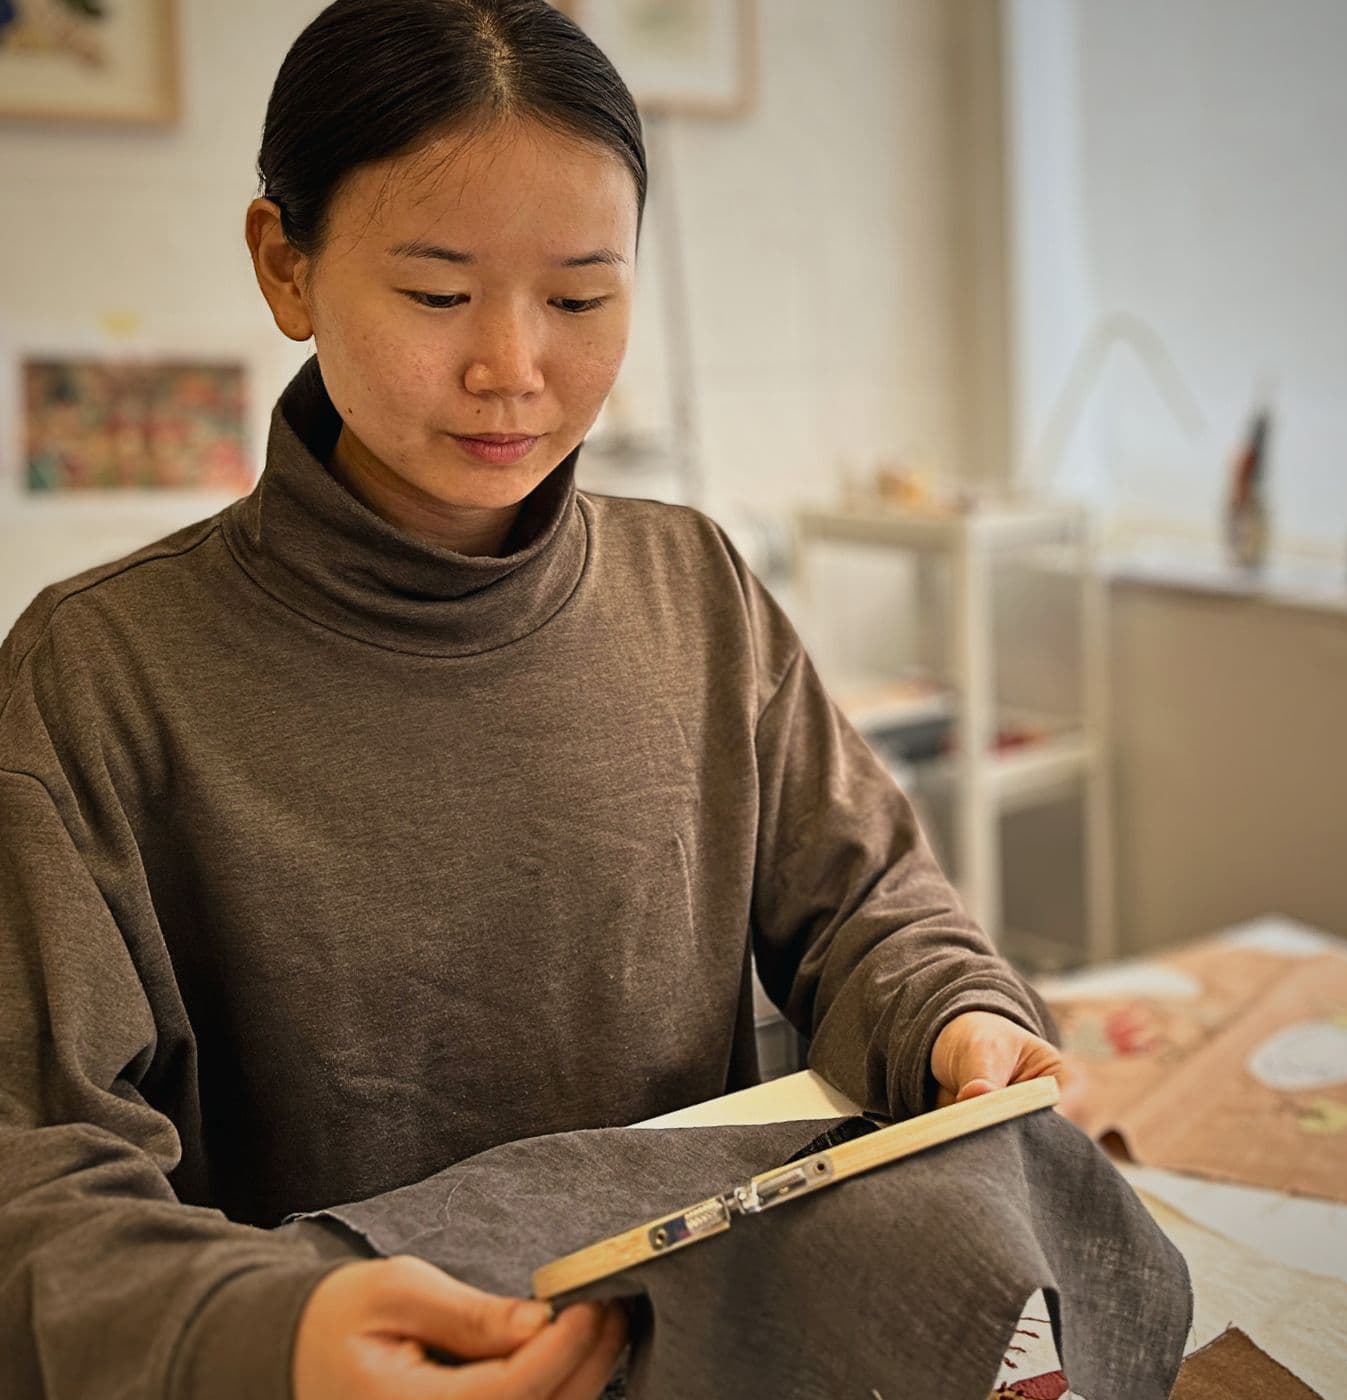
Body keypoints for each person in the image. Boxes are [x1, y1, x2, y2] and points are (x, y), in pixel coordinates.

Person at [0, 2, 1075, 1397]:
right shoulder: (96, 680)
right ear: (287, 265)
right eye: (439, 295)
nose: (514, 366)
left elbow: (870, 904)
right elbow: (40, 1175)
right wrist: (276, 1335)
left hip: (694, 1345)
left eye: (579, 298)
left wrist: (952, 1015)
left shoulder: (691, 586)